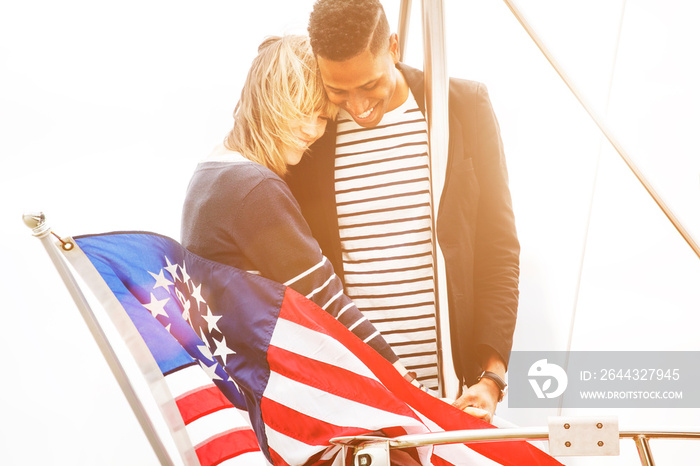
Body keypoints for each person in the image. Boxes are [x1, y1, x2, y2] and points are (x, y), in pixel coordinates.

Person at [286, 0, 519, 422]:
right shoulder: (309, 136)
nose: (357, 108)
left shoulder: (463, 107)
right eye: (339, 91)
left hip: (455, 400)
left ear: (393, 47)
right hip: (356, 404)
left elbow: (498, 252)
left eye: (369, 85)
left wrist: (491, 379)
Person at [180, 35, 405, 372]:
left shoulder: (210, 173)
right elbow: (325, 301)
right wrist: (405, 382)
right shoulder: (253, 187)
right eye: (300, 111)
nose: (312, 130)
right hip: (265, 393)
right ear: (270, 101)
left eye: (322, 117)